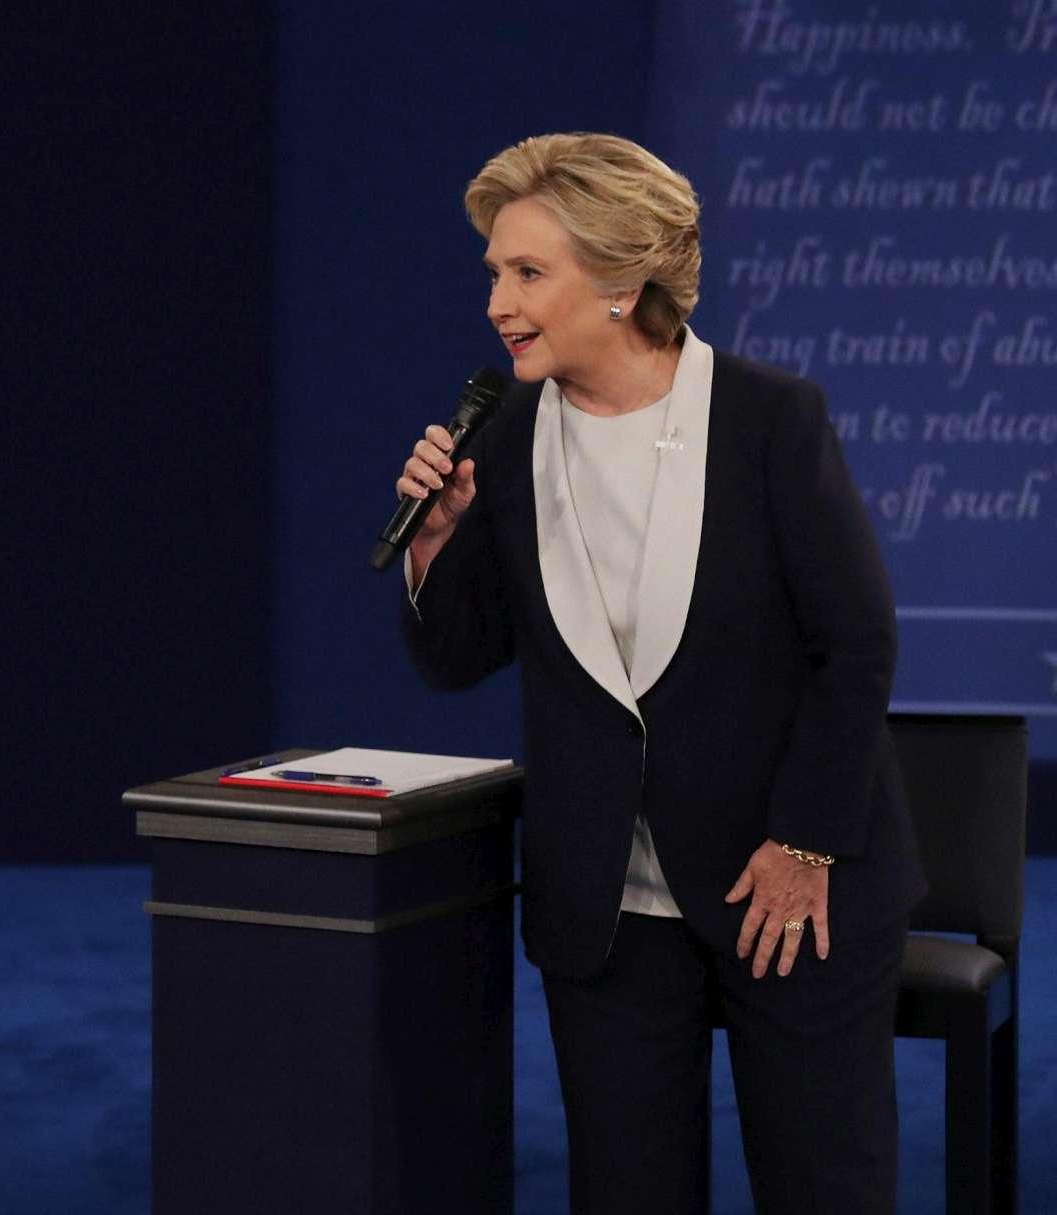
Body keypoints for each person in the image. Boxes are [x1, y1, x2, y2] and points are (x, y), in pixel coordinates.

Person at [395, 133, 927, 1213]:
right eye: (493, 272)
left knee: (823, 1186)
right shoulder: (499, 442)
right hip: (603, 898)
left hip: (784, 885)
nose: (497, 301)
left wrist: (803, 843)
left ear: (620, 281)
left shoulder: (769, 419)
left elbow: (854, 643)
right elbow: (456, 661)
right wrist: (430, 545)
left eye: (526, 273)